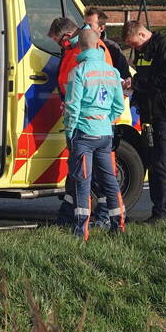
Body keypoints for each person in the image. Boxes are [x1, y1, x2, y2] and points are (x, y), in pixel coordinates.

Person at [47, 16, 113, 228]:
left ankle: (101, 218)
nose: (60, 46)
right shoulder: (75, 48)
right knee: (78, 174)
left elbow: (99, 85)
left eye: (59, 41)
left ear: (67, 36)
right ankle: (67, 216)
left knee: (92, 177)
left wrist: (72, 125)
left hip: (88, 123)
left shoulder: (89, 48)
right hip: (87, 120)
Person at [61, 28, 127, 239]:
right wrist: (106, 121)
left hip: (83, 133)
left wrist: (70, 133)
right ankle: (119, 225)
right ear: (99, 45)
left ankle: (81, 230)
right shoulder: (112, 72)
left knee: (83, 181)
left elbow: (72, 107)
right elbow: (118, 105)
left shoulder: (79, 72)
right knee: (110, 181)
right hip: (104, 134)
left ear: (79, 46)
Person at [122, 20, 166, 224]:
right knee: (150, 161)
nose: (134, 49)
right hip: (148, 114)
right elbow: (144, 76)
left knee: (160, 162)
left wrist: (139, 83)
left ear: (142, 35)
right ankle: (156, 210)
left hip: (164, 113)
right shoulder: (144, 51)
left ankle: (162, 213)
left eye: (134, 44)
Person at [83, 7, 131, 82]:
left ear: (101, 28)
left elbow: (124, 76)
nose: (85, 28)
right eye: (84, 25)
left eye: (90, 26)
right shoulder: (78, 46)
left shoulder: (112, 48)